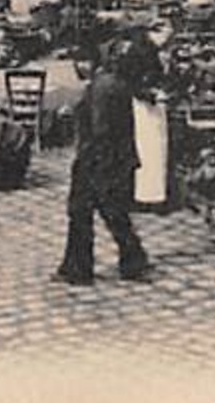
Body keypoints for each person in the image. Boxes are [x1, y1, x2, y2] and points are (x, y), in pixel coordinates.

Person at [55, 38, 152, 286]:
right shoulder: (116, 83)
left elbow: (101, 128)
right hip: (114, 158)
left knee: (82, 210)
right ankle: (133, 260)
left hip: (98, 158)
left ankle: (79, 268)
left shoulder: (103, 85)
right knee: (113, 212)